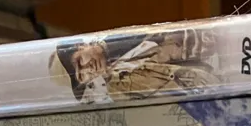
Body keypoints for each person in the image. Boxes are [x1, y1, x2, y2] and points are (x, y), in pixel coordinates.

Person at [52, 26, 220, 104]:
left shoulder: (118, 35)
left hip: (216, 43)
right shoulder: (119, 91)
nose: (88, 69)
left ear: (80, 47)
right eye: (81, 75)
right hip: (215, 80)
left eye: (80, 62)